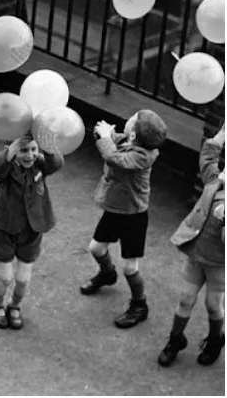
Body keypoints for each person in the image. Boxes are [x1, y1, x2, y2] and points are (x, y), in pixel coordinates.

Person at [79, 110, 167, 329]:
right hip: (115, 208)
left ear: (135, 136)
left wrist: (106, 138)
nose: (127, 120)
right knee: (96, 248)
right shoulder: (127, 140)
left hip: (134, 216)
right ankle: (107, 273)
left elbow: (115, 158)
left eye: (132, 120)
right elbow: (114, 142)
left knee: (130, 268)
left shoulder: (143, 156)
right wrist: (105, 133)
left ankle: (139, 305)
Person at [158, 127, 224, 367]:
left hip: (219, 263)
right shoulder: (213, 183)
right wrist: (221, 136)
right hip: (197, 255)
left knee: (213, 306)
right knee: (186, 299)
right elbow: (207, 156)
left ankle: (216, 338)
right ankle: (176, 340)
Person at [0, 134, 63, 330]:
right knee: (5, 277)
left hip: (32, 229)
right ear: (13, 150)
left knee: (22, 279)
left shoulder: (40, 164)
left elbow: (56, 163)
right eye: (23, 150)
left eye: (33, 149)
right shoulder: (7, 166)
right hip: (5, 227)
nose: (29, 155)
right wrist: (9, 152)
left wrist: (48, 147)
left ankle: (14, 306)